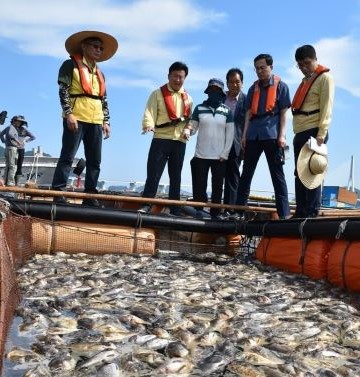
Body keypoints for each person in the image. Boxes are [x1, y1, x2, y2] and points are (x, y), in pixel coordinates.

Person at [51, 30, 118, 206]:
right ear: (84, 46)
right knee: (68, 156)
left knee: (95, 160)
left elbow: (103, 98)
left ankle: (90, 195)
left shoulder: (100, 73)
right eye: (95, 46)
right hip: (77, 117)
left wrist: (106, 121)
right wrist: (69, 113)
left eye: (101, 48)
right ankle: (58, 192)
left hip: (95, 120)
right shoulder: (70, 65)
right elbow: (63, 90)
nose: (98, 50)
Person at [234, 53, 291, 220]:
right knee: (246, 174)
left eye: (262, 68)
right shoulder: (253, 88)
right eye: (257, 68)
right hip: (253, 135)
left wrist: (282, 136)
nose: (259, 71)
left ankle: (284, 214)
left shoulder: (282, 86)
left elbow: (283, 113)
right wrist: (244, 136)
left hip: (272, 134)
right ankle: (239, 211)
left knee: (277, 175)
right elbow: (248, 114)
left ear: (271, 67)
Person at [139, 61, 193, 216]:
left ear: (185, 78)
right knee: (154, 173)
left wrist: (189, 130)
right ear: (169, 76)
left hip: (179, 141)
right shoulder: (157, 94)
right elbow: (149, 111)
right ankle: (147, 204)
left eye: (181, 77)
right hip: (161, 138)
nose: (177, 80)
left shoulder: (188, 98)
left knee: (176, 176)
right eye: (175, 76)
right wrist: (148, 125)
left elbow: (191, 120)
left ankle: (174, 208)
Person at [292, 44, 335, 218]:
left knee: (312, 170)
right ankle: (301, 210)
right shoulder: (305, 81)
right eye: (300, 65)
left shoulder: (325, 78)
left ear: (316, 59)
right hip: (300, 131)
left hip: (314, 131)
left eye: (307, 63)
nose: (303, 68)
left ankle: (312, 210)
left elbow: (327, 107)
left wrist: (321, 134)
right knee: (299, 172)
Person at [187, 78, 234, 220]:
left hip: (219, 156)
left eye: (217, 91)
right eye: (211, 90)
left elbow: (230, 134)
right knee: (200, 184)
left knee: (218, 187)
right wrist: (188, 131)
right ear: (207, 92)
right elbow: (193, 127)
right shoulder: (199, 108)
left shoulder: (227, 111)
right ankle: (199, 211)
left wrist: (225, 154)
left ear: (221, 93)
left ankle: (215, 213)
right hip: (201, 155)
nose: (214, 93)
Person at [223, 68, 246, 216]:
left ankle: (230, 209)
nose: (234, 85)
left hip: (235, 143)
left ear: (242, 83)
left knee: (232, 176)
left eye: (237, 82)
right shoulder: (220, 98)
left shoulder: (247, 99)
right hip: (218, 142)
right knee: (218, 176)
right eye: (231, 82)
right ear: (227, 83)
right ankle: (216, 208)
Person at [0, 115, 26, 186]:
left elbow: (1, 134)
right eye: (18, 121)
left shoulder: (8, 127)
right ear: (14, 121)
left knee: (8, 166)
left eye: (20, 122)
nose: (20, 123)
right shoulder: (12, 127)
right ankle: (10, 182)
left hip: (7, 148)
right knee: (13, 166)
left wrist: (4, 141)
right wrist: (17, 141)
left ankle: (5, 181)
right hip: (12, 148)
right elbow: (11, 134)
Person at [15, 121, 36, 185]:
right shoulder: (14, 129)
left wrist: (26, 141)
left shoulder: (25, 130)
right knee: (12, 165)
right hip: (14, 148)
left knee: (19, 165)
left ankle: (17, 182)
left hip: (21, 149)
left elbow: (33, 137)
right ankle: (11, 180)